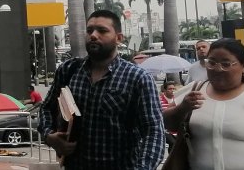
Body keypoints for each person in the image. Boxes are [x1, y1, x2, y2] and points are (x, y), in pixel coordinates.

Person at [38, 9, 166, 169]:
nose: (93, 35)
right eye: (90, 30)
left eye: (102, 31)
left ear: (118, 38)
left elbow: (153, 131)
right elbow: (46, 108)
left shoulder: (137, 78)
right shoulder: (68, 70)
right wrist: (50, 137)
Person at [165, 38, 244, 170]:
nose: (217, 69)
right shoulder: (194, 89)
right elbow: (166, 123)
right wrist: (183, 108)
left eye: (226, 64)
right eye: (211, 63)